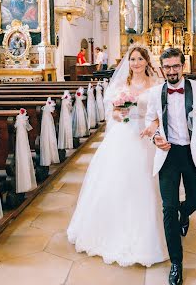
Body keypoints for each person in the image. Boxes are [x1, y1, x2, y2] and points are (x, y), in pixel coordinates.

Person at [67, 46, 168, 267]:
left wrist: (153, 126)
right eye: (132, 59)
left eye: (140, 59)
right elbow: (112, 113)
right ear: (128, 62)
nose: (136, 63)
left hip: (147, 138)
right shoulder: (122, 85)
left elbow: (162, 114)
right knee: (118, 181)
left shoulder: (156, 85)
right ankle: (112, 230)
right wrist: (118, 113)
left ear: (146, 61)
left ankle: (149, 233)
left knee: (145, 183)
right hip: (124, 136)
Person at [142, 48, 196, 285]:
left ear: (182, 66)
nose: (172, 71)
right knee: (169, 208)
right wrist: (155, 136)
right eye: (168, 67)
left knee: (195, 201)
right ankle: (176, 263)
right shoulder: (156, 93)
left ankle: (185, 214)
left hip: (192, 153)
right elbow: (149, 119)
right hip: (168, 154)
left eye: (176, 66)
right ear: (162, 68)